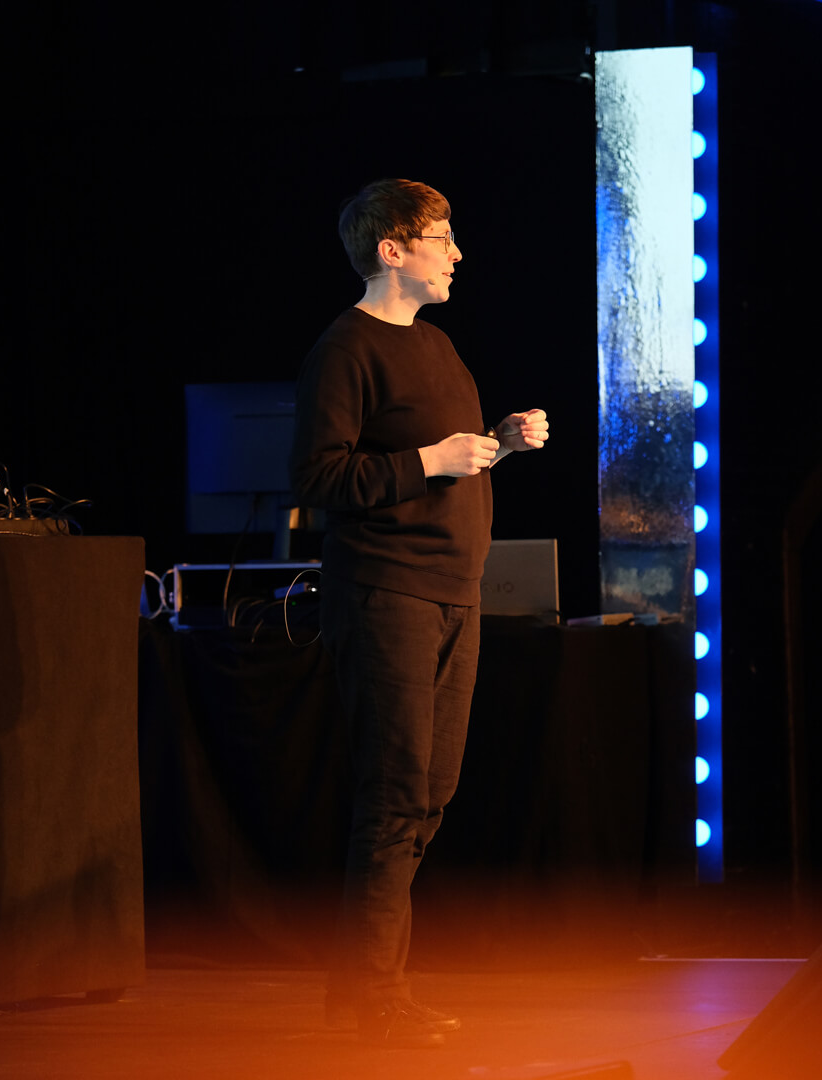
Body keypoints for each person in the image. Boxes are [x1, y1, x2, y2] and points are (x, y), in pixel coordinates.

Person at [289, 178, 549, 1048]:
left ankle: (362, 988)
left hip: (453, 595)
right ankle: (371, 995)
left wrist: (496, 446)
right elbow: (321, 478)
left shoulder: (439, 348)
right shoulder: (346, 349)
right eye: (442, 237)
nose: (458, 252)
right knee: (396, 795)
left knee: (431, 797)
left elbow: (445, 468)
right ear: (391, 251)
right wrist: (429, 458)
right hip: (385, 595)